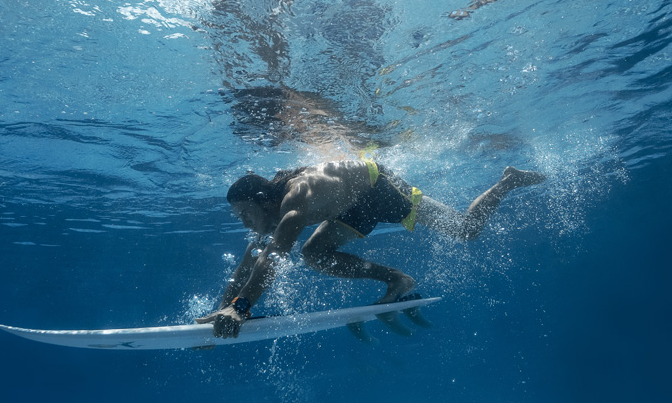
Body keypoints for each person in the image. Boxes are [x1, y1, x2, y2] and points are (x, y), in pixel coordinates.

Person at [196, 159, 546, 338]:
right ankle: (399, 281)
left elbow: (273, 259)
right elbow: (248, 264)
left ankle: (507, 181)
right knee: (314, 255)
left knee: (465, 230)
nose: (243, 222)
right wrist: (223, 309)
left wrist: (241, 308)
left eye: (245, 214)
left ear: (262, 201)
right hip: (348, 205)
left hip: (379, 188)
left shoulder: (293, 202)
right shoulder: (270, 212)